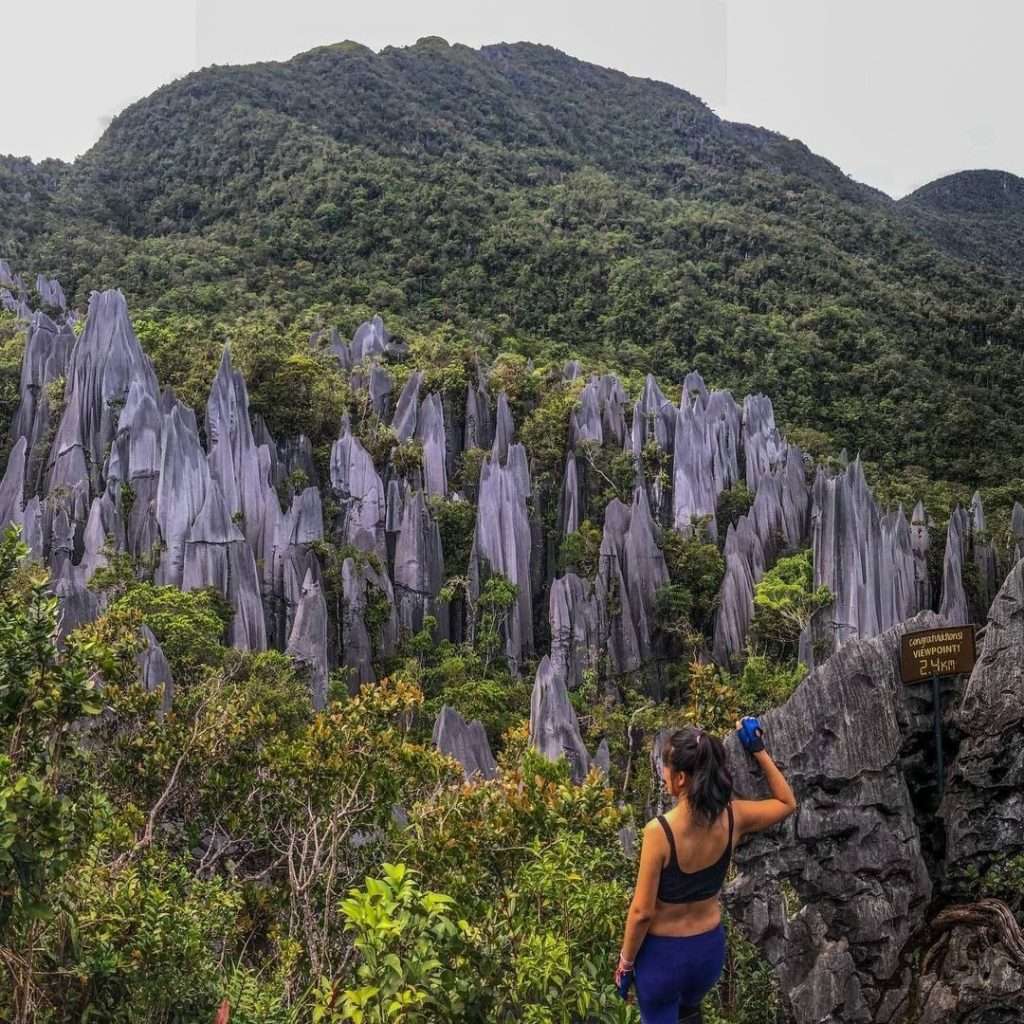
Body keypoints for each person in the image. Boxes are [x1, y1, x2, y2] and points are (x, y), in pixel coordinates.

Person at [613, 717, 796, 1024]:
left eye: (666, 768)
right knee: (689, 1012)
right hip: (707, 955)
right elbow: (786, 802)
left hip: (663, 959)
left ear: (682, 778)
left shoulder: (659, 833)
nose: (663, 775)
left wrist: (625, 965)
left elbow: (641, 912)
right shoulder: (734, 818)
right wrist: (758, 749)